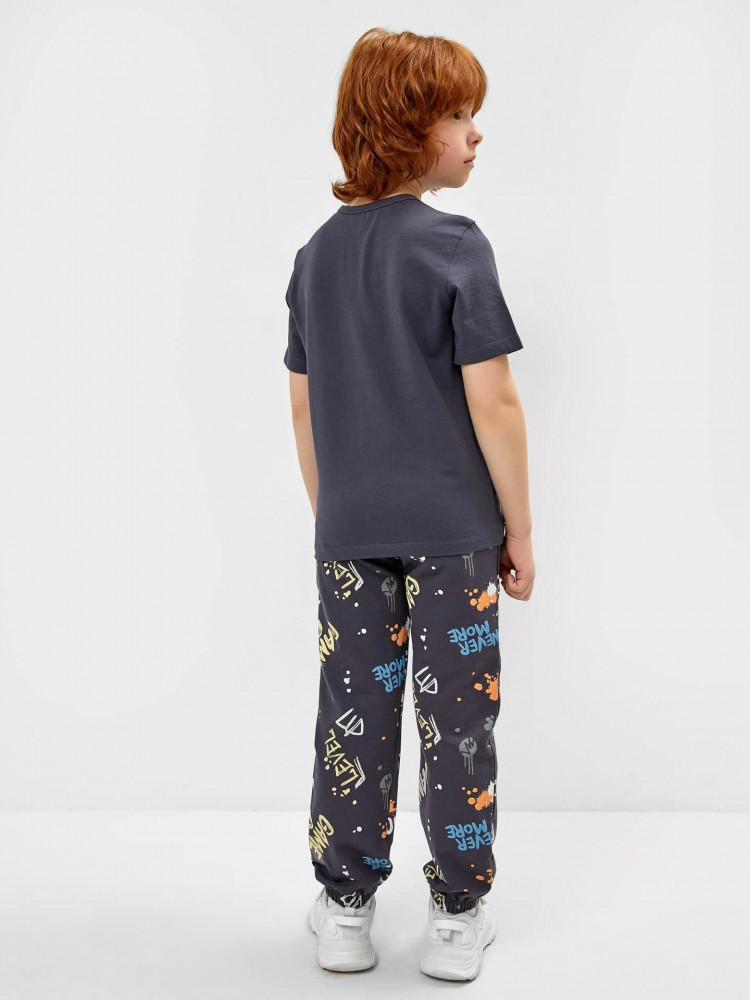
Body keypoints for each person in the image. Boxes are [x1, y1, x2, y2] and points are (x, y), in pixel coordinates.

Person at [284, 26, 535, 982]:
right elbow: (494, 401)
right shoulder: (455, 246)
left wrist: (335, 514)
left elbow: (303, 407)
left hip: (349, 533)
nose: (476, 133)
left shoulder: (314, 257)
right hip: (456, 536)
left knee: (354, 716)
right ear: (406, 126)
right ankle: (458, 915)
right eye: (460, 115)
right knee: (457, 722)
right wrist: (519, 528)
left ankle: (347, 907)